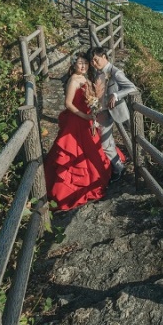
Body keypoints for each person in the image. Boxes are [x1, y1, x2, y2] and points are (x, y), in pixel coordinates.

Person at [44, 52, 114, 211]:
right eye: (80, 63)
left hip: (87, 120)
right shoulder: (74, 80)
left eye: (85, 63)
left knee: (90, 150)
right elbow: (68, 104)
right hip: (76, 121)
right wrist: (85, 116)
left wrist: (93, 112)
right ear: (74, 65)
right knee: (73, 151)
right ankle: (67, 191)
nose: (83, 66)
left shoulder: (86, 79)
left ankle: (92, 181)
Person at [87, 46, 137, 182]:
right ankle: (119, 167)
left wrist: (116, 94)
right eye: (92, 61)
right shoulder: (97, 73)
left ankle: (141, 162)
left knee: (135, 136)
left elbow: (132, 87)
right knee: (105, 144)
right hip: (103, 112)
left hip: (118, 110)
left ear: (104, 57)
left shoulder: (115, 72)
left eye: (96, 60)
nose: (94, 63)